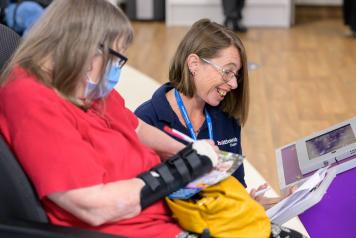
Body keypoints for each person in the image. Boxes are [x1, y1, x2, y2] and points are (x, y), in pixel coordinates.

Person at [0, 0, 219, 237]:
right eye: (116, 58)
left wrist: (189, 150)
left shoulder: (81, 83)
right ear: (85, 48)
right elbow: (94, 206)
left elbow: (135, 128)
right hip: (142, 228)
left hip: (173, 209)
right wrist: (181, 171)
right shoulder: (31, 99)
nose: (116, 69)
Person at [134, 19, 307, 238]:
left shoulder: (226, 119)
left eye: (236, 75)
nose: (234, 84)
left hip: (224, 224)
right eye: (227, 72)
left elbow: (237, 195)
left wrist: (283, 201)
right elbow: (143, 203)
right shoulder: (147, 121)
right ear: (194, 63)